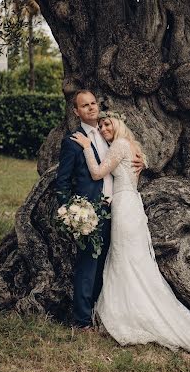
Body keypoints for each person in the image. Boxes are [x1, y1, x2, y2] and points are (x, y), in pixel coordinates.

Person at [70, 112, 190, 356]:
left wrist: (86, 146)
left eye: (108, 124)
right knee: (129, 258)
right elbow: (133, 165)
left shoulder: (119, 145)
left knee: (125, 258)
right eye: (102, 124)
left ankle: (130, 311)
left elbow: (97, 173)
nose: (104, 128)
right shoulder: (131, 145)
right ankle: (131, 306)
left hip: (125, 205)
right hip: (130, 205)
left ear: (118, 124)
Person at [56, 90, 144, 329]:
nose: (91, 108)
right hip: (89, 212)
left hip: (115, 211)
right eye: (85, 105)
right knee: (87, 265)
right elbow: (62, 182)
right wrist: (70, 212)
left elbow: (123, 161)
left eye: (93, 103)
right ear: (76, 111)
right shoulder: (73, 141)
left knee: (106, 262)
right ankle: (81, 320)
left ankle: (97, 311)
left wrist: (141, 162)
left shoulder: (109, 137)